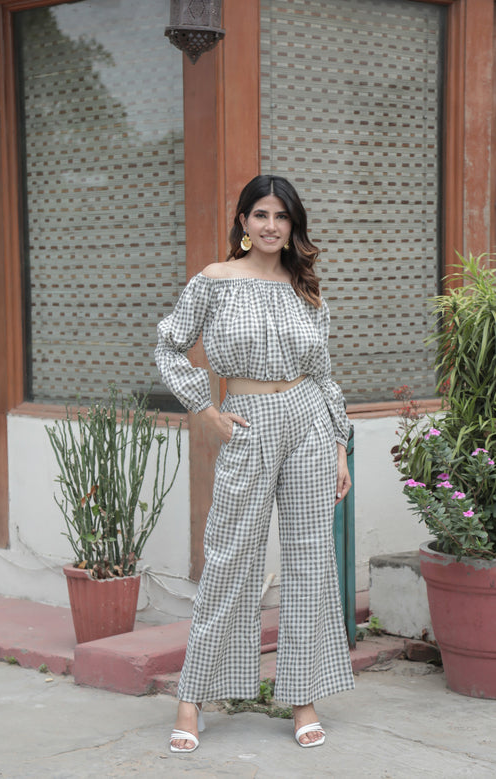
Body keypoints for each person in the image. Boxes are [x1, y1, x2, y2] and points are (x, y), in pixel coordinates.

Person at [155, 174, 354, 753]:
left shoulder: (304, 288)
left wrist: (339, 444)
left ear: (293, 227)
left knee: (311, 561)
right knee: (228, 558)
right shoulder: (212, 282)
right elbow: (168, 346)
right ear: (243, 222)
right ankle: (192, 697)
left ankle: (303, 697)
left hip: (310, 421)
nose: (272, 226)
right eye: (261, 215)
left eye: (282, 217)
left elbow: (324, 373)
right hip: (245, 419)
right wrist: (204, 409)